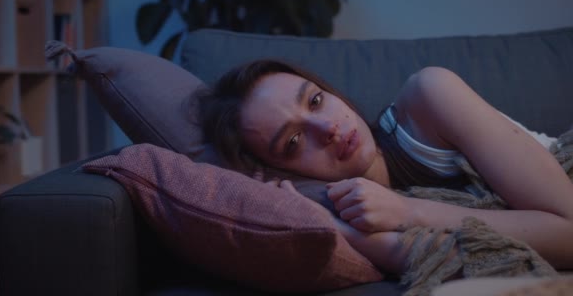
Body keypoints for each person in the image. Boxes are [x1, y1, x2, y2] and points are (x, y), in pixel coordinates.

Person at [196, 59, 573, 274]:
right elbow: (466, 258)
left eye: (315, 100)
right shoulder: (339, 207)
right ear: (278, 172)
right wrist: (340, 230)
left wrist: (410, 211)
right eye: (293, 142)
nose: (328, 128)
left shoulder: (429, 95)